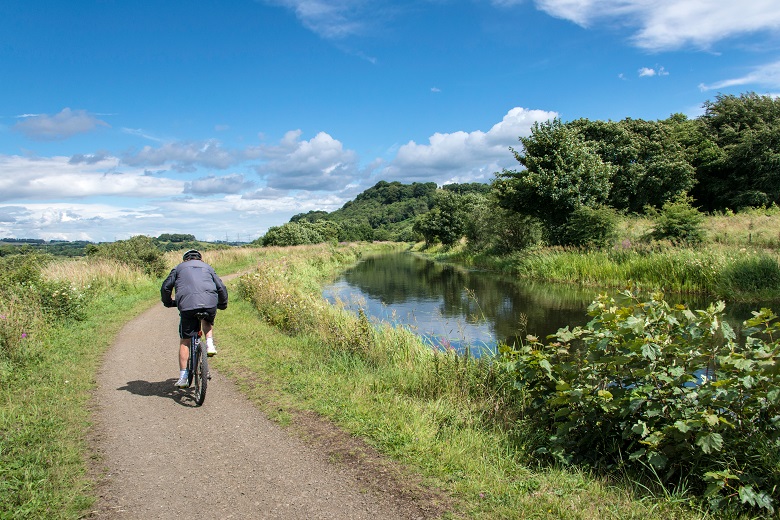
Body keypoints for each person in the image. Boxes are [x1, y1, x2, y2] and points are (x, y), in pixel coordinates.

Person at [161, 249, 228, 388]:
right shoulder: (208, 267)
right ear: (200, 259)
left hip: (187, 305)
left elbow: (166, 287)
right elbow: (221, 287)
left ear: (186, 259)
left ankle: (183, 377)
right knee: (207, 320)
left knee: (185, 341)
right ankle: (210, 344)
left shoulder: (178, 268)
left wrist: (168, 302)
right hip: (209, 303)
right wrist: (222, 304)